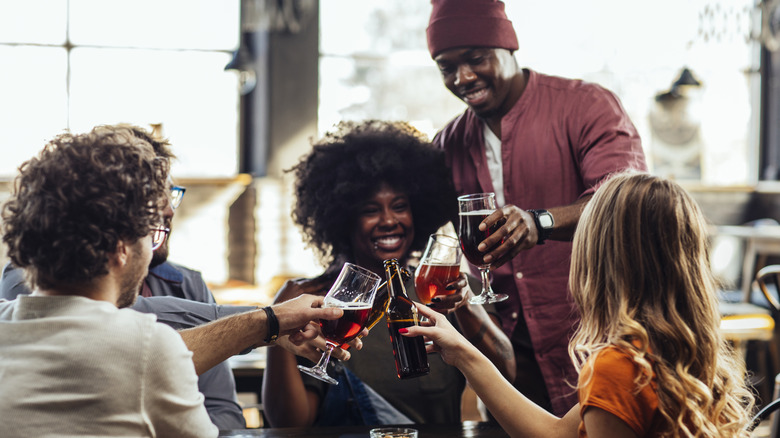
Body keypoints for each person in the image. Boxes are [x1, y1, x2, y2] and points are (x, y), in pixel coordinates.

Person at [0, 126, 345, 437]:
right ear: (121, 246)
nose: (152, 250)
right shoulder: (149, 349)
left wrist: (269, 322)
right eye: (151, 234)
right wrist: (268, 320)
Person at [402, 172, 755, 437]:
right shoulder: (684, 354)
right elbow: (556, 434)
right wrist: (463, 352)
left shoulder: (618, 368)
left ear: (599, 259)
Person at [426, 0, 648, 415]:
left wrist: (538, 222)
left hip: (600, 335)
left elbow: (625, 203)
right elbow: (418, 225)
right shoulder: (449, 142)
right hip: (509, 352)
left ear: (510, 47)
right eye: (446, 67)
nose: (463, 77)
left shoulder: (587, 105)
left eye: (476, 59)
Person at [262, 120, 515, 427]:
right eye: (371, 210)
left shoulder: (448, 287)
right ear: (344, 220)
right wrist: (275, 325)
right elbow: (291, 424)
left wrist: (462, 306)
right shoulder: (319, 305)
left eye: (399, 206)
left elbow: (507, 372)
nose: (388, 220)